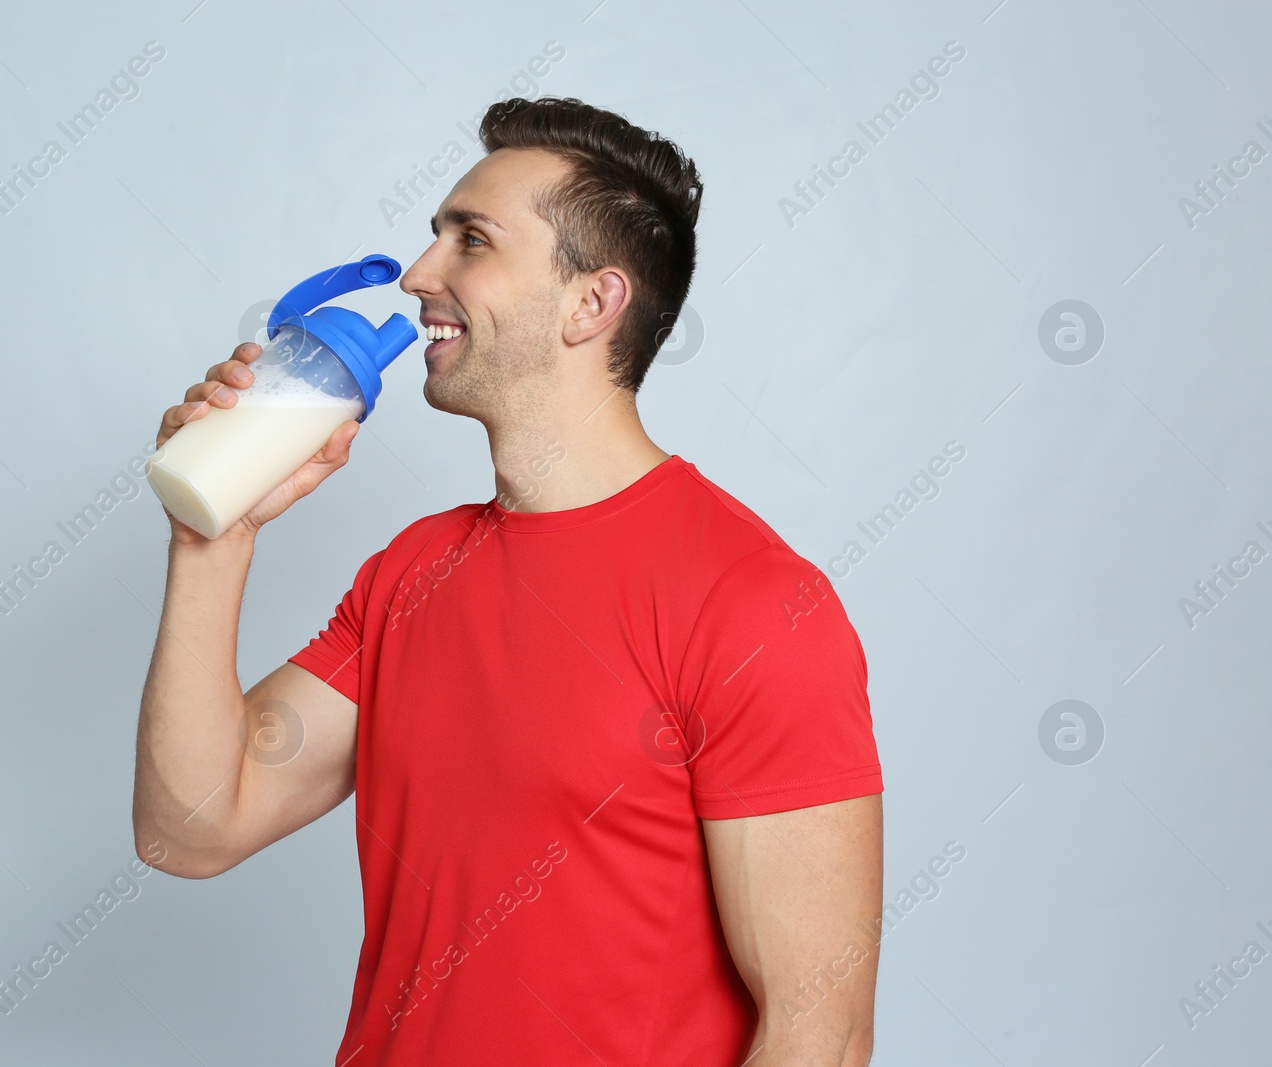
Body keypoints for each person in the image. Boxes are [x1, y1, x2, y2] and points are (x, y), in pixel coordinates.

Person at [133, 95, 884, 1067]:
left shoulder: (751, 604)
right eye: (434, 233)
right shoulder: (412, 571)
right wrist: (212, 537)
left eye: (470, 241)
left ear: (591, 303)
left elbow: (816, 1027)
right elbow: (191, 830)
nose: (417, 274)